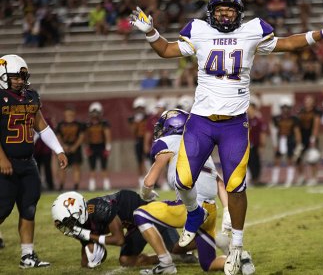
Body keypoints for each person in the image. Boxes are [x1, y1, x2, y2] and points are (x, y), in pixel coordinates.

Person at [130, 0, 323, 275]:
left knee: (236, 186)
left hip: (234, 123)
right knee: (183, 182)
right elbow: (166, 50)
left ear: (239, 13)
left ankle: (236, 245)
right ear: (211, 13)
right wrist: (150, 32)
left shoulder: (253, 31)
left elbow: (289, 44)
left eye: (229, 10)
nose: (224, 14)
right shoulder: (198, 30)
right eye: (219, 10)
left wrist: (321, 33)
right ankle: (194, 212)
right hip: (201, 121)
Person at [134, 109, 255, 274]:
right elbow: (220, 184)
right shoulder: (200, 145)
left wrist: (145, 194)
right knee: (208, 263)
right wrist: (227, 210)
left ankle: (165, 265)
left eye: (163, 126)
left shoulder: (168, 142)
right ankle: (241, 258)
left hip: (192, 209)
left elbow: (149, 182)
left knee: (140, 214)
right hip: (211, 210)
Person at [0, 54, 68, 268]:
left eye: (23, 76)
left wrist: (59, 150)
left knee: (29, 208)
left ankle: (27, 256)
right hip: (5, 162)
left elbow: (42, 126)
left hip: (28, 162)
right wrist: (1, 159)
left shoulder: (31, 96)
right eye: (15, 77)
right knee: (2, 209)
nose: (20, 80)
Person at [51, 189, 189, 268]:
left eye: (69, 222)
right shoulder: (80, 224)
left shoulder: (100, 208)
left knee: (179, 248)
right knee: (126, 261)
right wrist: (89, 259)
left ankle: (201, 237)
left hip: (149, 215)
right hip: (134, 226)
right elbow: (89, 255)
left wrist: (88, 235)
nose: (68, 227)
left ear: (79, 211)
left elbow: (119, 239)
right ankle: (168, 257)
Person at [56, 105, 85, 191]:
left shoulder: (79, 124)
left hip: (75, 149)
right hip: (63, 149)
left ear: (74, 113)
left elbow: (81, 136)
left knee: (76, 167)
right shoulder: (60, 124)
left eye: (71, 113)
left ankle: (76, 186)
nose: (69, 114)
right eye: (67, 113)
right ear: (64, 113)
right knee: (62, 167)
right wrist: (63, 146)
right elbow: (58, 136)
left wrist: (74, 147)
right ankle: (61, 185)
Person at [85, 102, 112, 191]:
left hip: (102, 146)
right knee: (92, 167)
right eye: (93, 113)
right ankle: (92, 184)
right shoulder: (88, 124)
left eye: (97, 113)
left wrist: (108, 148)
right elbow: (86, 136)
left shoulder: (104, 123)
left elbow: (107, 135)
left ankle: (106, 183)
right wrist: (87, 147)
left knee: (104, 166)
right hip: (92, 146)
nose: (95, 115)